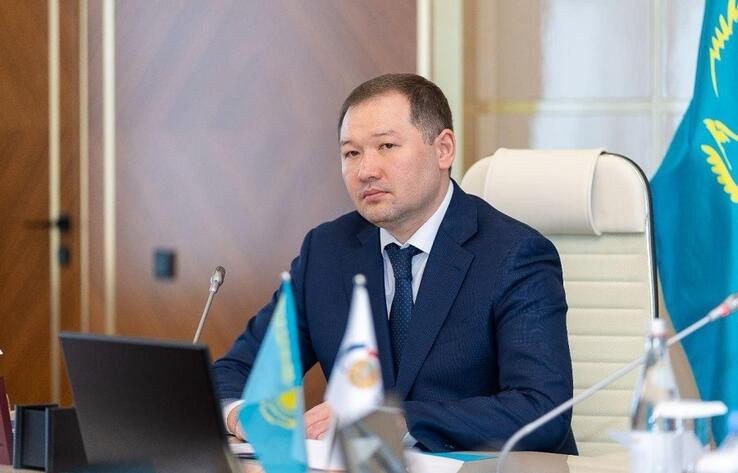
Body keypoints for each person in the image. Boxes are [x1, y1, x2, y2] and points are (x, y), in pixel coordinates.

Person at [213, 73, 577, 454]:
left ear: (443, 150)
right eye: (351, 153)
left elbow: (542, 411)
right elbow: (236, 370)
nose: (366, 170)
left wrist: (399, 421)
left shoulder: (515, 255)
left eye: (386, 146)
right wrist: (242, 415)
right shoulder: (326, 251)